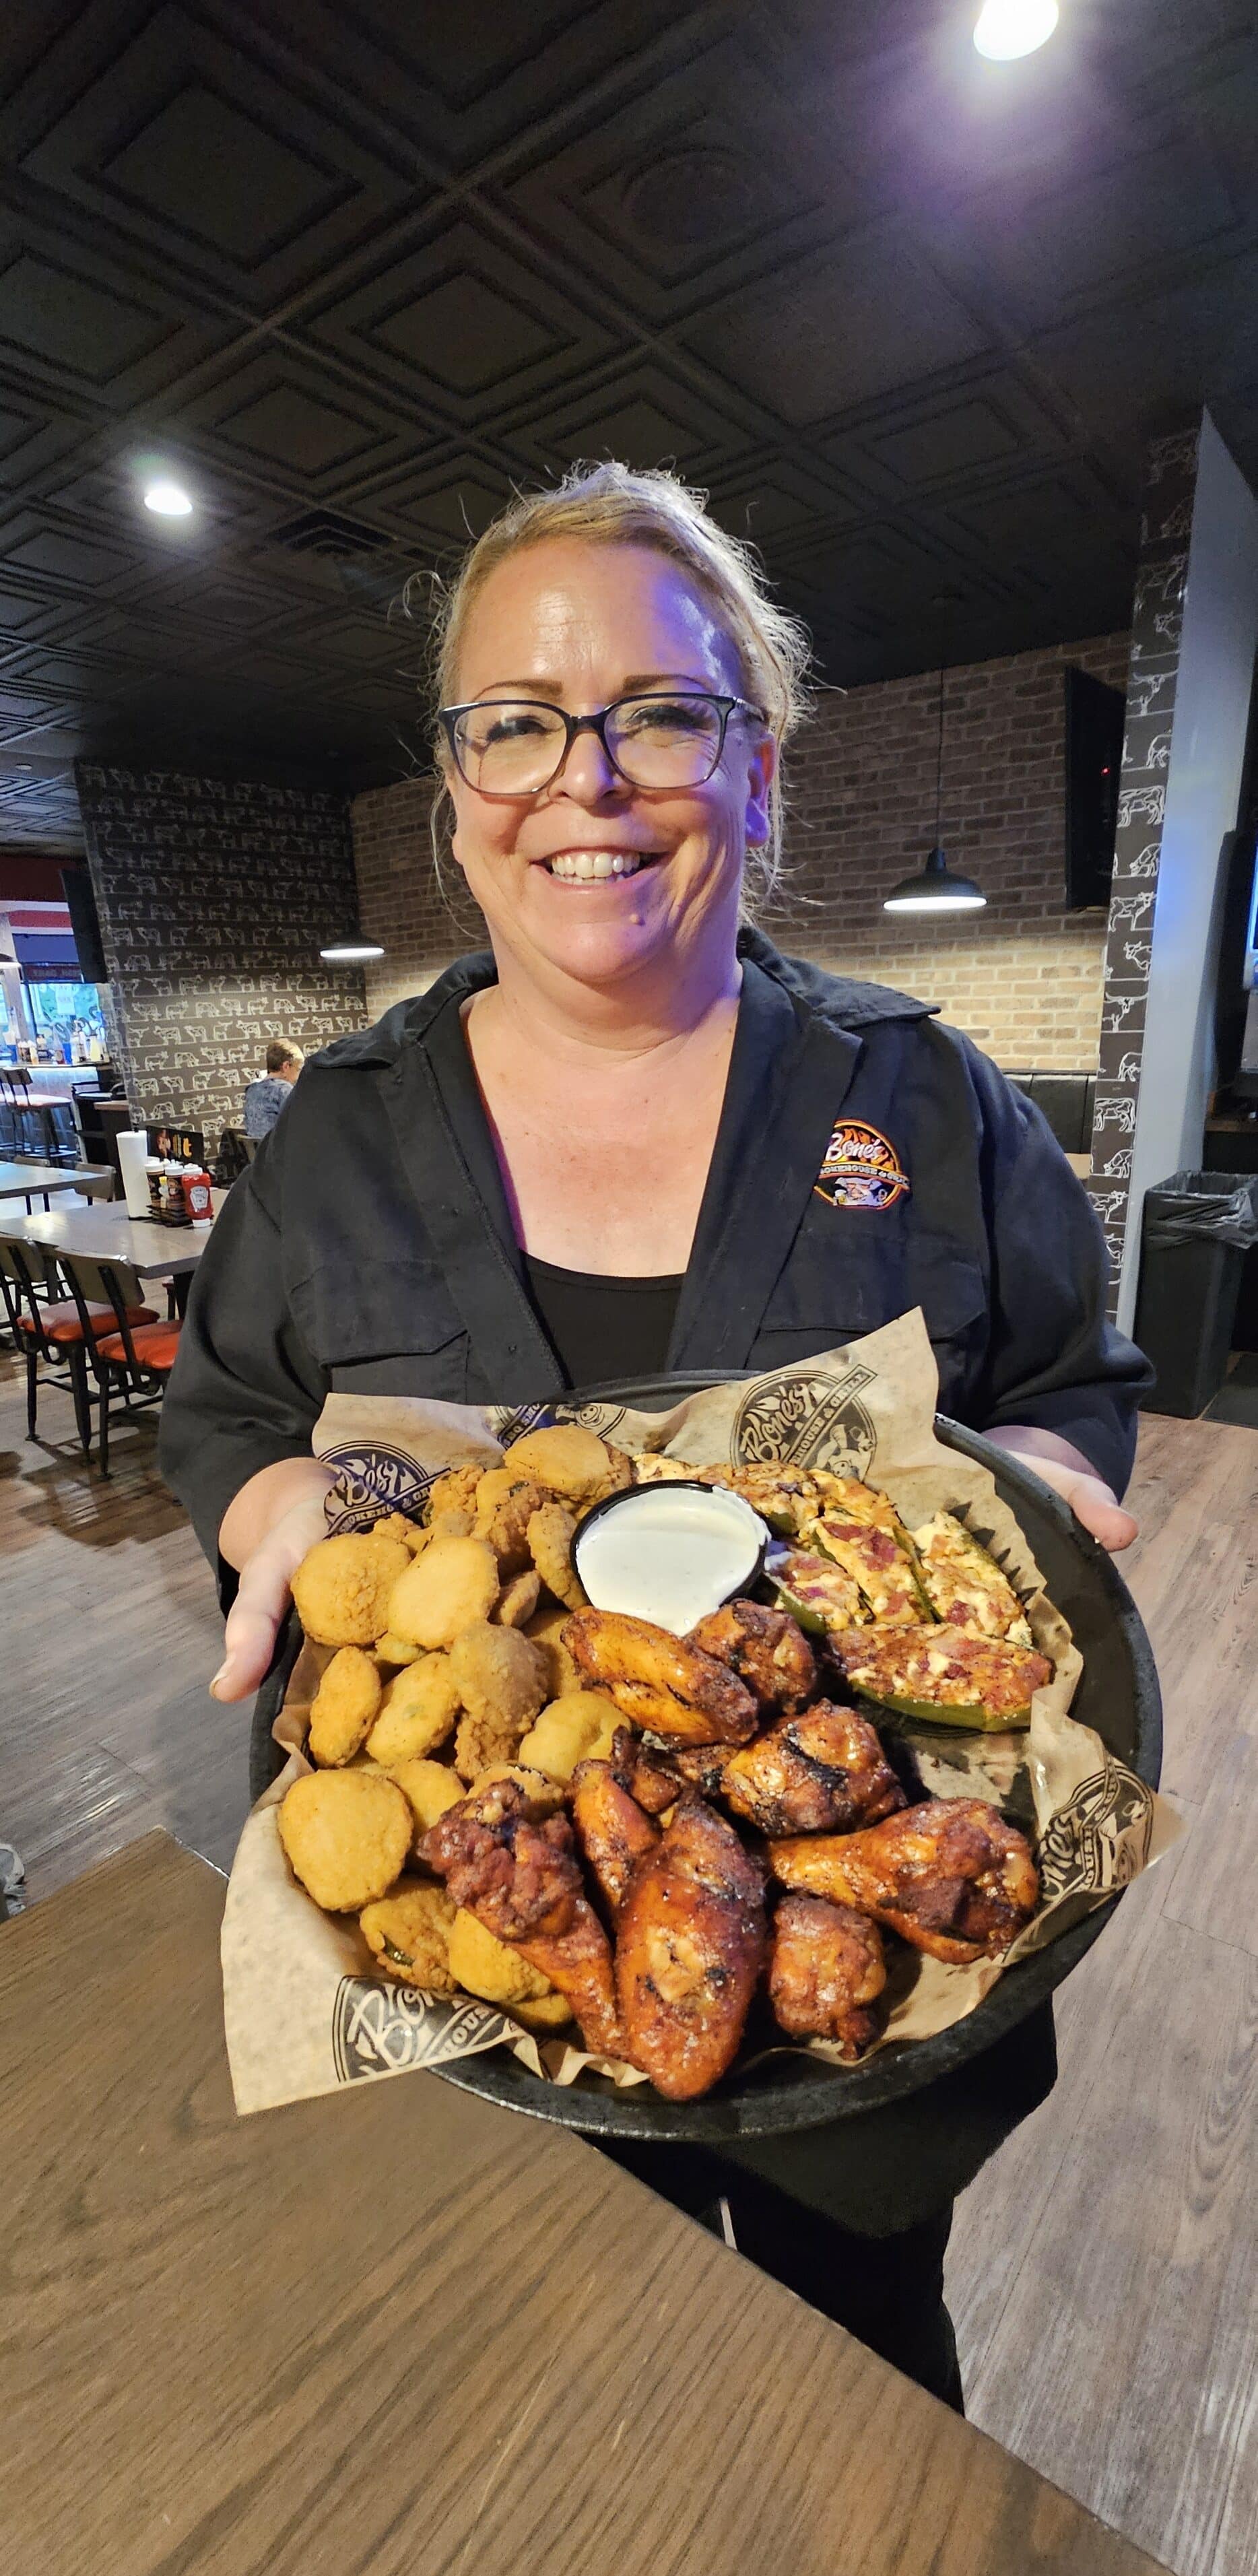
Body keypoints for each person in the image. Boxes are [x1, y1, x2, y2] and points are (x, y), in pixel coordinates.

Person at [160, 462, 1150, 2410]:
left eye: (660, 716)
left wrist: (1022, 1512)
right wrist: (281, 1500)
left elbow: (1067, 1385)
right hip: (468, 1978)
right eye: (513, 724)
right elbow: (232, 1411)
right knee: (542, 2406)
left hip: (859, 2013)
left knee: (852, 2401)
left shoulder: (925, 1103)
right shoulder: (342, 1136)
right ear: (455, 797)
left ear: (757, 766)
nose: (582, 778)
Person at [242, 1038, 303, 1140]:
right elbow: (299, 1126)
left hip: (258, 1154)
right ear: (286, 1067)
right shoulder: (285, 1090)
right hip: (279, 1153)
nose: (299, 1075)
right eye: (298, 1069)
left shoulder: (251, 1090)